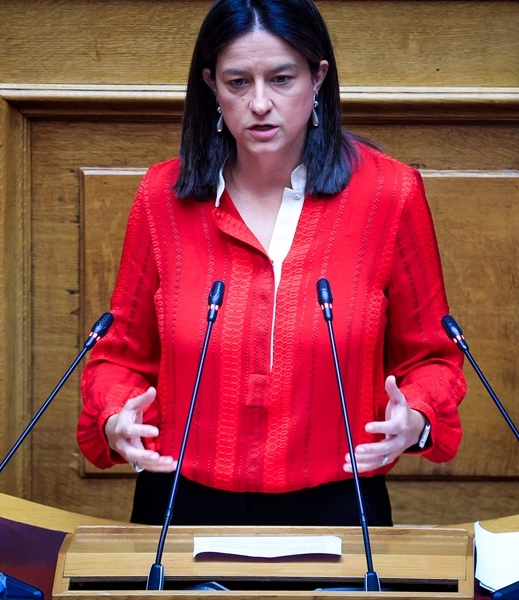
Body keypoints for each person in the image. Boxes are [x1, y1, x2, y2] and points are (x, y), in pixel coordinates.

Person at [77, 0, 466, 527]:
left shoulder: (389, 195)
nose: (259, 103)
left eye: (282, 79)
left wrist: (416, 415)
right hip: (179, 502)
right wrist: (115, 415)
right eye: (238, 83)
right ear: (212, 86)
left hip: (337, 505)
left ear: (318, 78)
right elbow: (119, 357)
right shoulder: (161, 196)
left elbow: (433, 357)